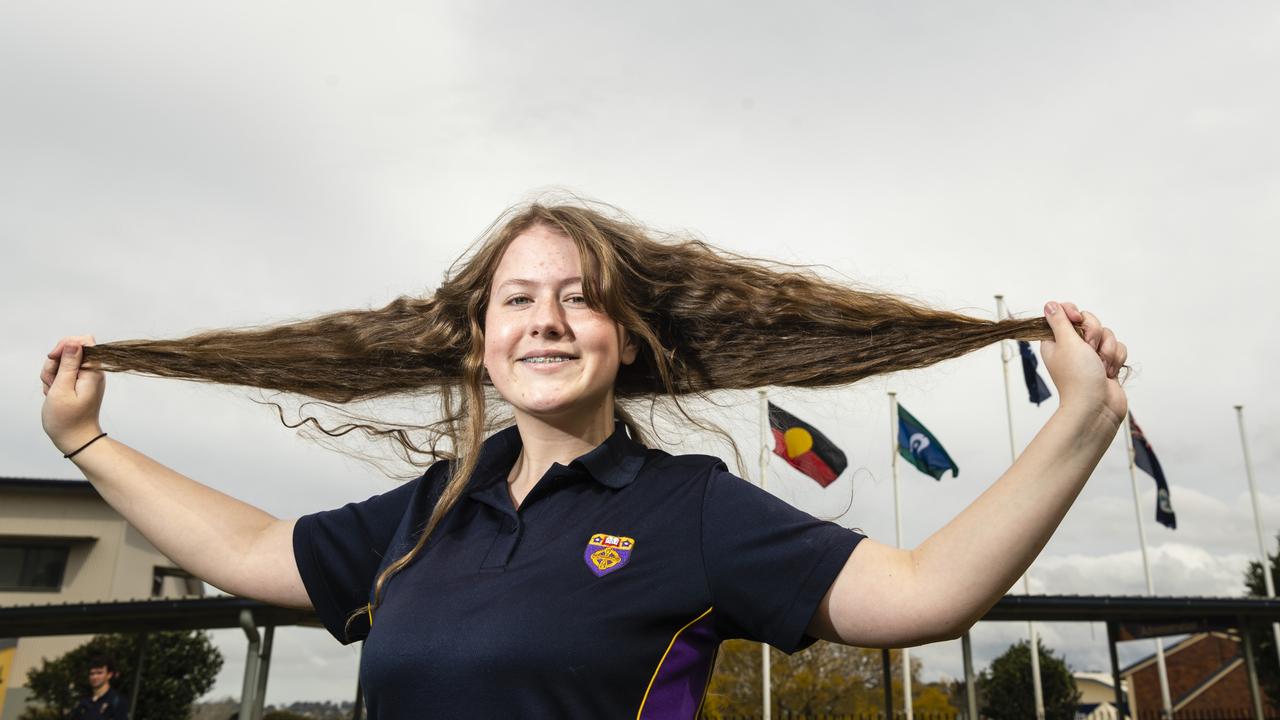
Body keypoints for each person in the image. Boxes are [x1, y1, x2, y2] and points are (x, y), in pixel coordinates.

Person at [40, 201, 1127, 718]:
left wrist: (1075, 425)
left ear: (626, 340)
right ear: (480, 340)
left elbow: (923, 592)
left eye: (580, 299)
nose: (547, 321)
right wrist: (88, 442)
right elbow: (254, 547)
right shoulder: (433, 509)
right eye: (518, 299)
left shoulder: (688, 508)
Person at [72, 655, 128, 720]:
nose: (95, 677)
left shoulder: (117, 701)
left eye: (99, 673)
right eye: (92, 673)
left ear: (109, 675)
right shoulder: (83, 702)